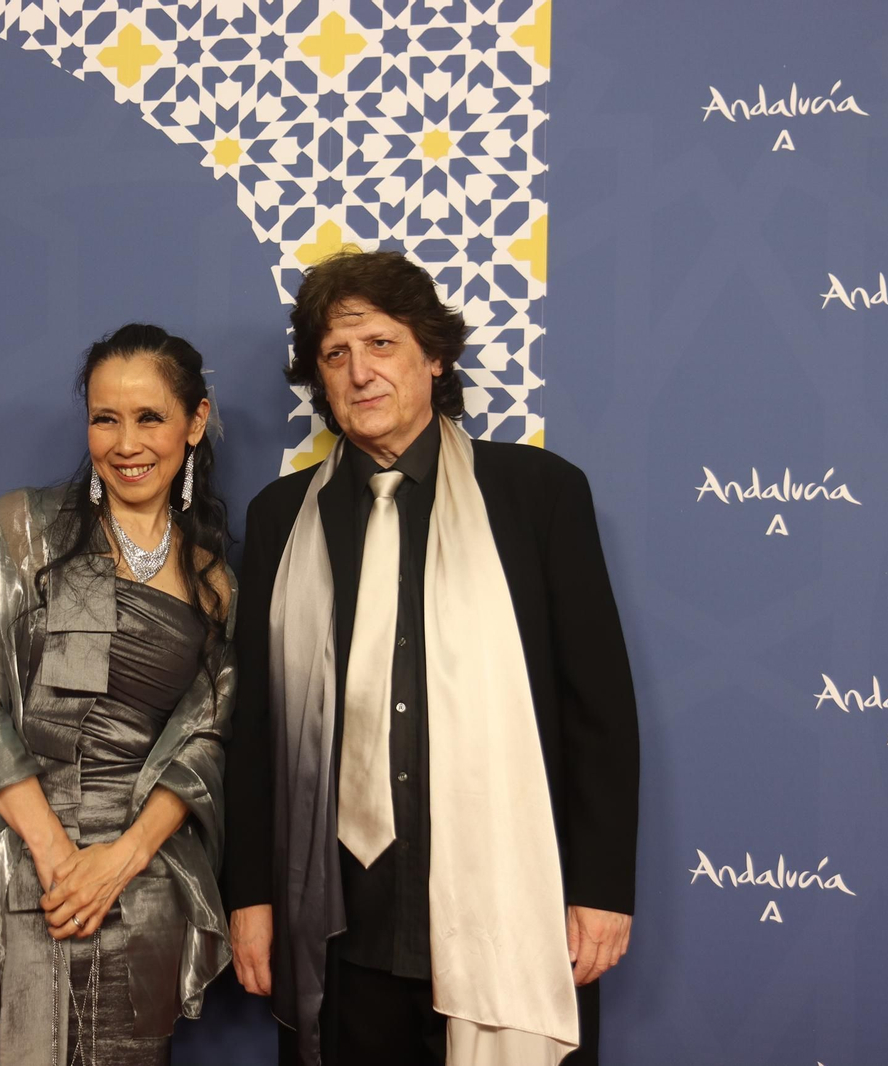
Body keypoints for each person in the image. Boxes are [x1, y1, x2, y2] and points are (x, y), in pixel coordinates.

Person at [224, 252, 640, 1066]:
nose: (360, 372)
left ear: (434, 356)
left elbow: (598, 709)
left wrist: (600, 889)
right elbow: (256, 728)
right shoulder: (281, 518)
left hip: (510, 905)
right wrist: (252, 897)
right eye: (336, 355)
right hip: (339, 926)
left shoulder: (538, 494)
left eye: (381, 344)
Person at [0, 324, 235, 1066]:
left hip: (139, 892)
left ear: (195, 422)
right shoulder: (23, 528)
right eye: (105, 418)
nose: (125, 442)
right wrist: (58, 860)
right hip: (15, 877)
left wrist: (117, 861)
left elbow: (205, 744)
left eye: (149, 417)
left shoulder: (213, 581)